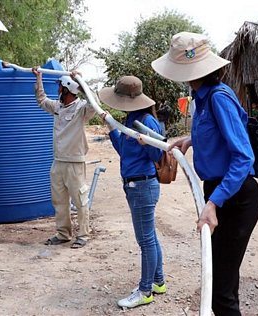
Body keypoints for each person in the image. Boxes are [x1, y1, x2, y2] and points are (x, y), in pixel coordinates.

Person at [152, 32, 258, 316]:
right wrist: (190, 140)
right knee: (219, 280)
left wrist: (213, 204)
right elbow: (217, 136)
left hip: (236, 197)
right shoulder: (202, 99)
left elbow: (243, 156)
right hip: (219, 192)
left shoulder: (218, 98)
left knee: (221, 294)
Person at [98, 76, 167, 308]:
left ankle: (145, 290)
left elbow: (159, 156)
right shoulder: (131, 118)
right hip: (133, 184)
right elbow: (124, 152)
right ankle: (158, 282)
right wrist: (111, 128)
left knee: (145, 240)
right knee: (150, 237)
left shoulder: (147, 121)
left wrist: (146, 143)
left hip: (143, 186)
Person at [32, 67, 96, 248]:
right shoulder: (58, 107)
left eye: (60, 86)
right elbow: (41, 100)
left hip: (75, 163)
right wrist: (39, 78)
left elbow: (95, 104)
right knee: (59, 200)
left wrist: (82, 83)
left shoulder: (82, 109)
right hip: (58, 161)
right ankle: (63, 234)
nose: (58, 89)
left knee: (80, 200)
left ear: (67, 88)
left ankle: (83, 235)